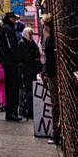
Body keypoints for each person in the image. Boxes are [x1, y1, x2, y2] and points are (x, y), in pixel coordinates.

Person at [0, 11, 22, 121]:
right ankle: (11, 112)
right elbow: (11, 46)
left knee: (11, 87)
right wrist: (16, 58)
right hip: (10, 62)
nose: (15, 20)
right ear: (10, 18)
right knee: (12, 87)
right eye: (14, 18)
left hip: (9, 62)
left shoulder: (7, 28)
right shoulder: (7, 29)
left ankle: (11, 112)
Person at [42, 14, 60, 144]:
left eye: (45, 25)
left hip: (53, 74)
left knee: (55, 104)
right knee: (55, 104)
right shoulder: (50, 40)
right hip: (51, 73)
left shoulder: (52, 40)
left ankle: (56, 133)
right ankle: (56, 132)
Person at [18, 26, 41, 120]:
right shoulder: (22, 43)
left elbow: (37, 52)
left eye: (32, 34)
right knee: (28, 91)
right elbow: (27, 56)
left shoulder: (30, 42)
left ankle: (29, 110)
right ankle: (26, 110)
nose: (31, 36)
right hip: (26, 71)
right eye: (30, 34)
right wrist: (33, 51)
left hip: (31, 70)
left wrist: (33, 45)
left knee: (31, 90)